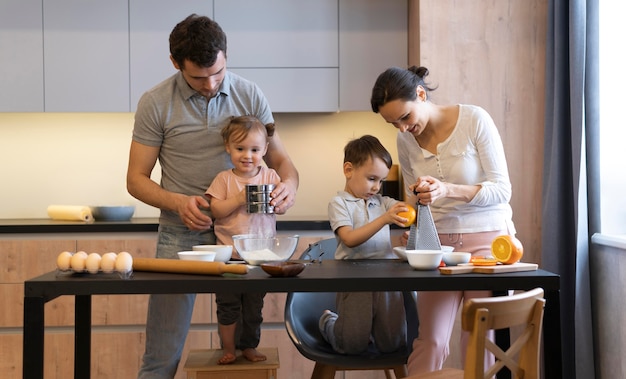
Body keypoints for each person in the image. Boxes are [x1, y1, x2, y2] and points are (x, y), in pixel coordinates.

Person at [126, 14, 298, 379]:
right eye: (198, 77)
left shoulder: (249, 93)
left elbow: (282, 161)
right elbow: (136, 180)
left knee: (248, 317)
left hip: (245, 232)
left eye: (218, 73)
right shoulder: (155, 102)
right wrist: (178, 202)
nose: (210, 84)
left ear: (225, 55)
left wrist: (290, 186)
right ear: (175, 63)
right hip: (182, 232)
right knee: (163, 349)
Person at [370, 66, 516, 374]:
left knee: (478, 340)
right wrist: (410, 217)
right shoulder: (406, 141)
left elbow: (502, 189)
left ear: (420, 95)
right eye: (392, 122)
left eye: (405, 117)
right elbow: (416, 202)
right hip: (439, 250)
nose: (401, 128)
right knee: (431, 340)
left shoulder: (474, 119)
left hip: (488, 245)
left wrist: (447, 189)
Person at [318, 134, 410, 355]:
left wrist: (412, 230)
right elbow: (349, 239)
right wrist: (385, 219)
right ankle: (328, 321)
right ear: (348, 170)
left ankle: (367, 328)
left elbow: (407, 209)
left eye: (381, 181)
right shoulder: (339, 203)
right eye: (371, 178)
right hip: (354, 279)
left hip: (385, 276)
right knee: (350, 345)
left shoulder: (383, 202)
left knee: (394, 344)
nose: (377, 187)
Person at [205, 115, 280, 364]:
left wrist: (281, 202)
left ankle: (249, 346)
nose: (247, 155)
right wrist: (237, 199)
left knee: (253, 308)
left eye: (255, 150)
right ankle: (228, 348)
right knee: (228, 307)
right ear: (228, 147)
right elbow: (216, 211)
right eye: (240, 149)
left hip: (260, 257)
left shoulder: (269, 177)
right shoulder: (224, 179)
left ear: (265, 150)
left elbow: (282, 204)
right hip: (229, 257)